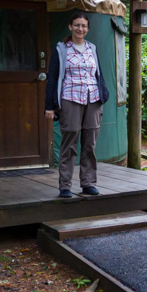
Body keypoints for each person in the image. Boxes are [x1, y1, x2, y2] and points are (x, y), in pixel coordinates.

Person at [45, 12, 110, 198]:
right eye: (77, 25)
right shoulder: (62, 49)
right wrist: (49, 106)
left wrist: (104, 95)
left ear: (88, 29)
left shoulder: (92, 48)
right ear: (70, 27)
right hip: (70, 99)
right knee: (69, 143)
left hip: (93, 100)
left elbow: (99, 74)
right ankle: (65, 186)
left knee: (90, 143)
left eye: (83, 26)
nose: (80, 29)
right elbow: (53, 78)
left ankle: (88, 183)